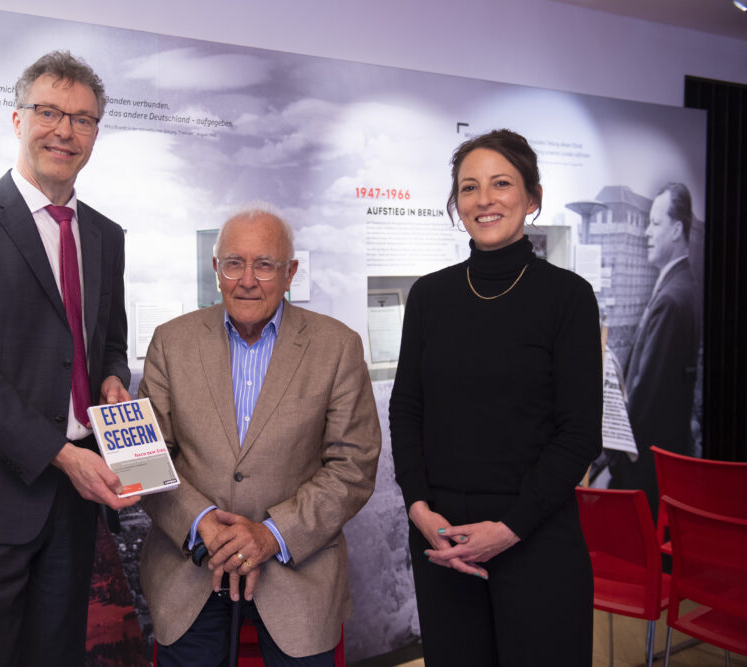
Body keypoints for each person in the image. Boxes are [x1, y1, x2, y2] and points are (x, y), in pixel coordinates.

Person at [0, 50, 137, 666]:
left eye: (83, 119)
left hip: (72, 502)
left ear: (96, 133)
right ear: (18, 119)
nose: (64, 131)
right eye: (48, 112)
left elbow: (108, 339)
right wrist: (63, 455)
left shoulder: (105, 234)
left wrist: (115, 378)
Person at [389, 129, 603, 666]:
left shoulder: (568, 298)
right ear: (456, 203)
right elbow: (406, 409)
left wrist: (507, 530)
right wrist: (420, 510)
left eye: (501, 183)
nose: (484, 199)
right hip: (444, 541)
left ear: (531, 198)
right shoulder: (430, 296)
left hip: (536, 538)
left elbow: (579, 434)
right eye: (469, 187)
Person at [138, 208, 381, 665]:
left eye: (265, 265)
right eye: (234, 263)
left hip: (297, 572)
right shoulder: (171, 342)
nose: (247, 279)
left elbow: (354, 465)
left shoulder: (337, 347)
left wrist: (271, 534)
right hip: (190, 570)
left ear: (290, 272)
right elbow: (152, 460)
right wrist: (204, 524)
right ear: (216, 270)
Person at [609, 183, 700, 516]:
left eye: (655, 224)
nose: (647, 232)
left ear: (676, 230)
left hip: (646, 463)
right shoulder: (680, 287)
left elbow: (648, 392)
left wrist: (617, 456)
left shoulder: (673, 299)